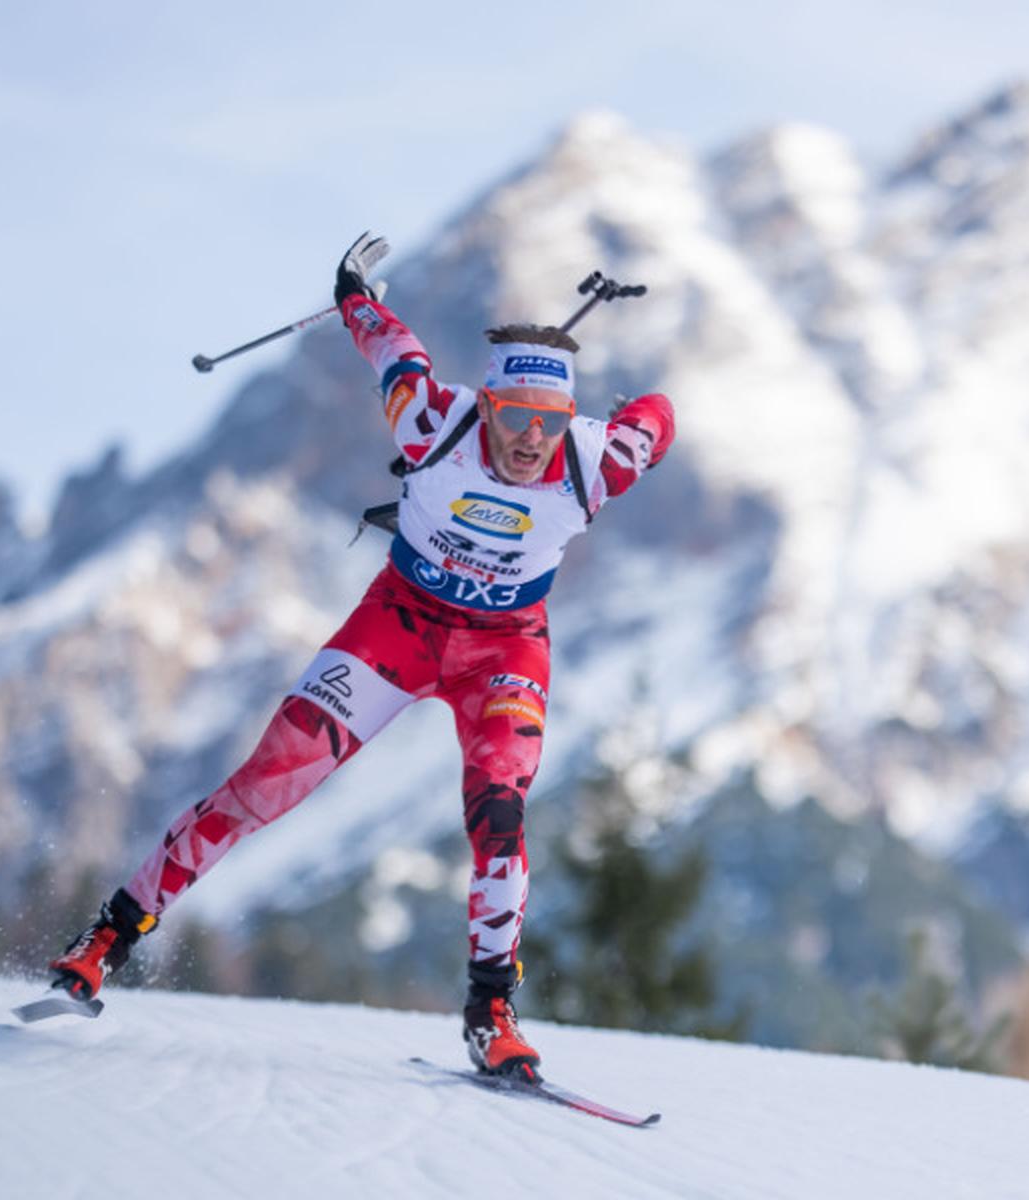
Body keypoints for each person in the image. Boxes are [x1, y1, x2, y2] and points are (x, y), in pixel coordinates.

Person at [44, 234, 676, 1077]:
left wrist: (631, 412)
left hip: (503, 651)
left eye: (550, 423)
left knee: (499, 813)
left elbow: (658, 420)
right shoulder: (433, 419)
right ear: (483, 406)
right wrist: (354, 294)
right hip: (398, 627)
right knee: (266, 781)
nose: (531, 442)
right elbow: (392, 346)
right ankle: (107, 940)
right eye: (516, 418)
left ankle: (491, 1013)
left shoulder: (592, 462)